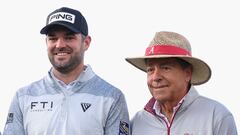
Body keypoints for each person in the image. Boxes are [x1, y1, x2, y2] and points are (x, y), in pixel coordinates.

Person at [3, 7, 130, 135]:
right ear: (46, 42)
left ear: (86, 42)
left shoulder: (112, 97)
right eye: (53, 38)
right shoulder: (23, 97)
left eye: (69, 37)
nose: (59, 45)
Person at [126, 31, 238, 135]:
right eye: (150, 70)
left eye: (165, 68)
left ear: (187, 74)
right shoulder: (137, 123)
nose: (155, 77)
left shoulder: (217, 117)